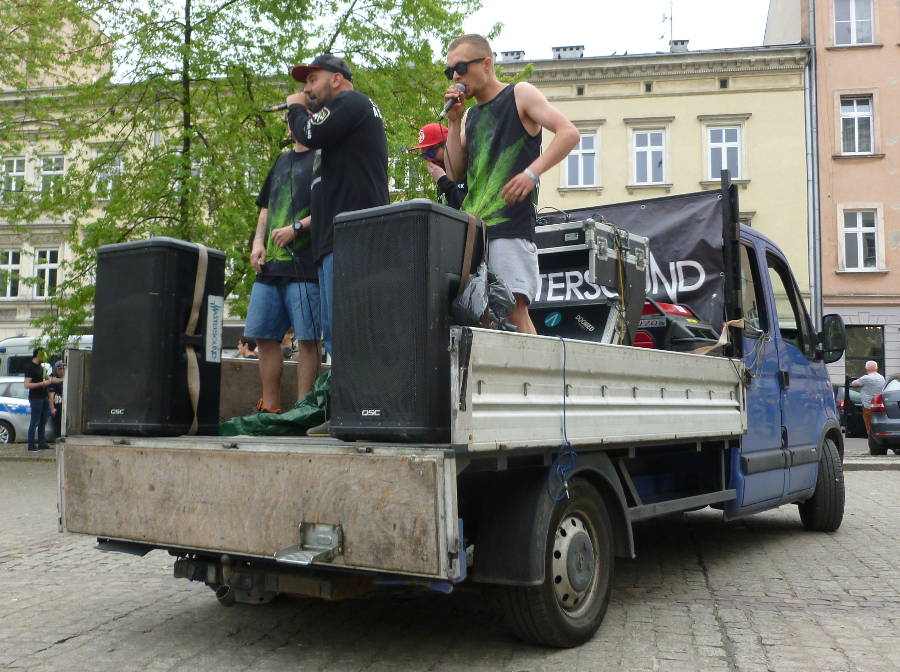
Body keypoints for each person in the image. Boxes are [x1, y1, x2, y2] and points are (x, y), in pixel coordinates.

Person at [442, 34, 579, 334]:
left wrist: (531, 173)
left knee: (513, 313)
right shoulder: (471, 116)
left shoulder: (520, 93)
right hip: (475, 231)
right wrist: (454, 122)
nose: (455, 76)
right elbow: (454, 173)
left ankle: (538, 379)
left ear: (487, 64)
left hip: (510, 227)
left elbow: (568, 133)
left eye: (461, 67)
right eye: (450, 70)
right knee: (480, 316)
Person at [286, 53, 389, 435]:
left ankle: (360, 411)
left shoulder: (351, 102)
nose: (307, 89)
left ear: (338, 79)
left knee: (348, 328)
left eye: (313, 80)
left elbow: (309, 133)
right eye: (305, 83)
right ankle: (350, 410)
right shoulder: (347, 114)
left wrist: (295, 111)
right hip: (337, 236)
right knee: (337, 330)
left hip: (352, 235)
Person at [244, 124, 321, 414]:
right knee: (263, 334)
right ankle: (270, 407)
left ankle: (304, 408)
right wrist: (258, 242)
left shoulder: (322, 157)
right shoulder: (281, 159)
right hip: (270, 266)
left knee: (308, 339)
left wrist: (296, 228)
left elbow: (330, 205)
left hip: (305, 265)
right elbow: (265, 207)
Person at [407, 122, 466, 209]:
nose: (429, 159)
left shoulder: (467, 169)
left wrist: (444, 182)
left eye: (431, 153)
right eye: (425, 156)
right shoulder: (442, 179)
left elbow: (467, 210)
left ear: (448, 145)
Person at [23, 348, 60, 452]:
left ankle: (42, 443)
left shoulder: (41, 367)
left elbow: (50, 379)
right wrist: (42, 384)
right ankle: (31, 446)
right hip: (35, 398)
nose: (45, 358)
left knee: (43, 422)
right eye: (44, 355)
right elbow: (26, 385)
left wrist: (61, 379)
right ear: (38, 355)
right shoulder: (30, 367)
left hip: (44, 397)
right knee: (34, 422)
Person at [851, 360, 886, 444]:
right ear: (877, 368)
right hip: (879, 406)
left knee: (869, 428)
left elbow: (854, 384)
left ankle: (872, 447)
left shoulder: (866, 378)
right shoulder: (881, 377)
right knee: (877, 427)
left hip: (867, 406)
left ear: (866, 368)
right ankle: (878, 445)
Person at [48, 360, 64, 439]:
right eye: (60, 369)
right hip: (57, 407)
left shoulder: (67, 379)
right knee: (58, 427)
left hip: (64, 408)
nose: (61, 371)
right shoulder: (53, 380)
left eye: (62, 369)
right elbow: (51, 396)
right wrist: (52, 408)